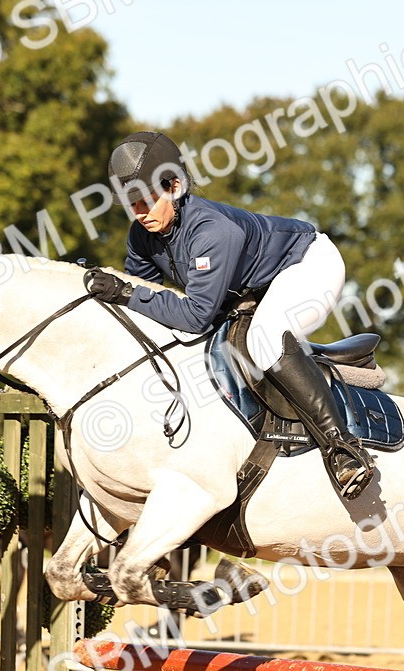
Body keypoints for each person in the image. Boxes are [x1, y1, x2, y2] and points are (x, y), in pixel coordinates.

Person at [88, 131, 374, 499]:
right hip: (255, 288)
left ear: (174, 186)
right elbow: (147, 306)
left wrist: (125, 293)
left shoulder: (213, 231)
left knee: (264, 339)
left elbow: (193, 316)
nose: (141, 213)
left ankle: (343, 449)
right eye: (132, 204)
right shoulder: (141, 237)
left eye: (147, 200)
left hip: (310, 264)